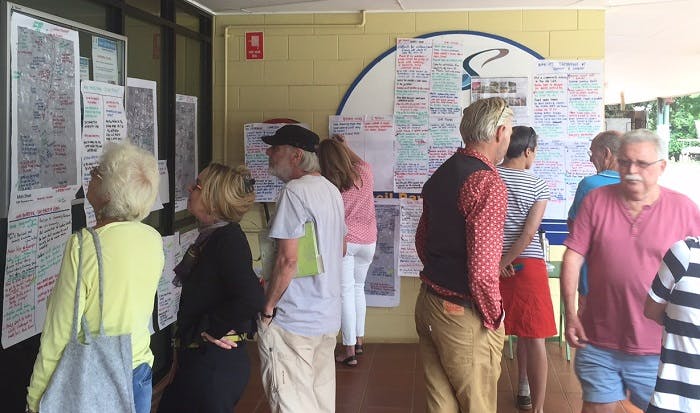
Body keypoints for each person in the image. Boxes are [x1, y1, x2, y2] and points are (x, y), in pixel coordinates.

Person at [560, 129, 700, 412]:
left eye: (642, 164)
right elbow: (573, 256)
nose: (631, 171)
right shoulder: (596, 200)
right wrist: (571, 312)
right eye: (625, 162)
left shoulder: (683, 208)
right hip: (597, 339)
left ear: (661, 167)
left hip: (658, 348)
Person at [26, 142, 163, 413]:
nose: (90, 174)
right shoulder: (152, 239)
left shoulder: (85, 246)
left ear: (108, 195)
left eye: (97, 172)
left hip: (97, 378)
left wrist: (35, 400)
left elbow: (58, 334)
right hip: (139, 371)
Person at [414, 97, 513, 412]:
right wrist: (494, 316)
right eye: (509, 131)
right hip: (462, 312)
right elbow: (484, 270)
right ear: (499, 132)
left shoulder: (444, 172)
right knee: (478, 405)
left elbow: (422, 240)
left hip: (429, 301)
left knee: (441, 404)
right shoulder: (487, 181)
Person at [157, 163, 264, 412]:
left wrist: (211, 328)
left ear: (213, 201)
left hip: (213, 367)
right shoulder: (212, 236)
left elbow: (251, 297)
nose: (189, 189)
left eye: (197, 186)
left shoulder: (227, 240)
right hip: (199, 361)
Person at [257, 124, 346, 412]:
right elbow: (341, 248)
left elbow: (288, 260)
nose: (269, 153)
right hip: (327, 317)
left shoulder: (294, 193)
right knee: (320, 402)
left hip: (294, 320)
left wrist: (268, 307)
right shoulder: (331, 190)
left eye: (276, 148)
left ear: (296, 155)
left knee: (293, 402)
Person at [497, 126, 555, 413]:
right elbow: (528, 235)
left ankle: (499, 395)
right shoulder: (538, 185)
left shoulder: (488, 176)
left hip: (493, 264)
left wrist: (498, 262)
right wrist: (506, 261)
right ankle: (537, 407)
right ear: (528, 150)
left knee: (491, 335)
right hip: (527, 265)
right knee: (534, 338)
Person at [317, 135, 377, 368]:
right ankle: (359, 340)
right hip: (368, 241)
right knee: (358, 289)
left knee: (345, 293)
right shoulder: (365, 172)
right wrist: (345, 146)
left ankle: (349, 349)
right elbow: (358, 160)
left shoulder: (330, 184)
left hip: (346, 243)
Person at [644, 236, 700, 413]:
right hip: (673, 402)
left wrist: (679, 323)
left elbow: (652, 311)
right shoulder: (684, 253)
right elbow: (651, 309)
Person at [568, 130, 622, 311]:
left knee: (589, 332)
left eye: (592, 153)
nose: (591, 159)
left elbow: (574, 227)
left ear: (606, 153)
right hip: (626, 281)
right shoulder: (638, 185)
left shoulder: (588, 185)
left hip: (592, 277)